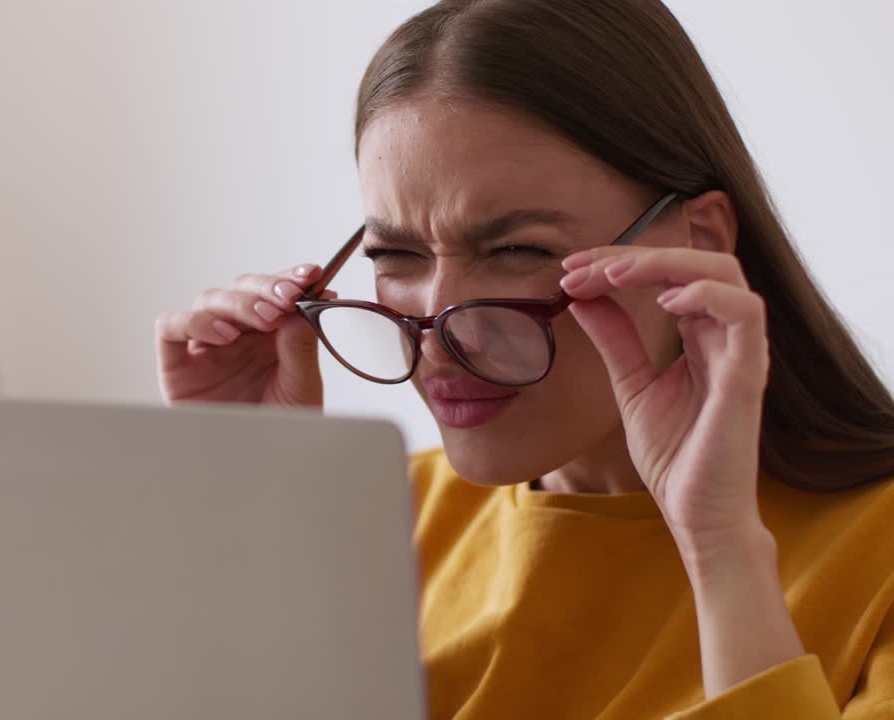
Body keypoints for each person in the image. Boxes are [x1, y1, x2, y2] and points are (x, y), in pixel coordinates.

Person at [154, 0, 894, 717]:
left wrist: (720, 544)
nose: (442, 333)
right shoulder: (383, 522)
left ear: (696, 240)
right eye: (395, 254)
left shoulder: (876, 554)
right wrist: (245, 503)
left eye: (516, 251)